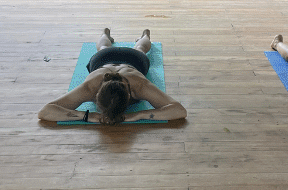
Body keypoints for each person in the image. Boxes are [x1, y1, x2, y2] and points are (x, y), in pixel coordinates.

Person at [38, 28, 186, 124]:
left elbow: (180, 111)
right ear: (97, 95)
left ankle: (107, 34)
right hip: (114, 60)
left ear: (129, 96)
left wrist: (139, 115)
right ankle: (143, 35)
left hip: (122, 59)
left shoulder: (139, 85)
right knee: (139, 48)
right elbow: (45, 111)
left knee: (109, 48)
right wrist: (87, 115)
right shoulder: (90, 87)